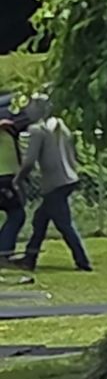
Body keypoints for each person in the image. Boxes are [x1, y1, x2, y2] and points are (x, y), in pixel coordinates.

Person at [11, 94, 91, 273]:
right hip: (69, 179)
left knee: (64, 224)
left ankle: (83, 262)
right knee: (40, 219)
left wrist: (18, 180)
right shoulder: (61, 126)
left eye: (30, 106)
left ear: (39, 108)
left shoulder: (37, 130)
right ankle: (29, 258)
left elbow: (29, 161)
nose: (27, 110)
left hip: (55, 183)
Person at [0, 96, 23, 262]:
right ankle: (4, 251)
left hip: (9, 177)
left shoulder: (10, 132)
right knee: (17, 214)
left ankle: (4, 250)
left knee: (15, 213)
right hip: (3, 178)